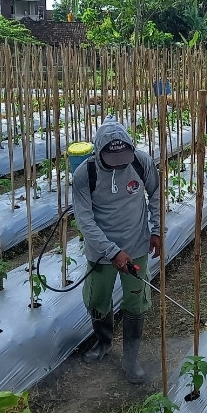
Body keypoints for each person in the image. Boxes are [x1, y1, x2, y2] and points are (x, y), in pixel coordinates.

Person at [71, 115, 161, 384]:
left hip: (137, 244)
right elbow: (85, 222)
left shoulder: (141, 162)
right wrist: (112, 252)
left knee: (136, 299)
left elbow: (156, 193)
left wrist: (156, 230)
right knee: (97, 299)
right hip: (100, 251)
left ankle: (131, 358)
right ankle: (103, 342)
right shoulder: (84, 175)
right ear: (98, 152)